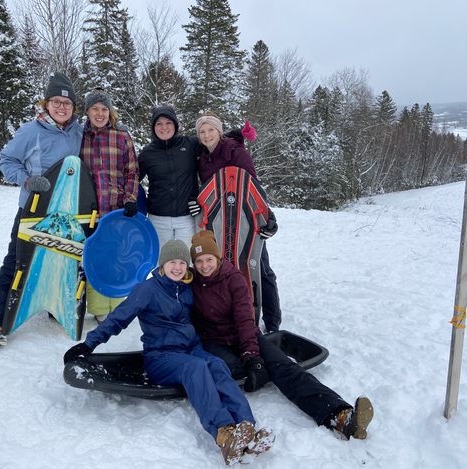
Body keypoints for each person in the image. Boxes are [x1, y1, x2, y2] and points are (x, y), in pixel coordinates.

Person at [64, 240, 274, 465]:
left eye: (182, 262)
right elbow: (118, 319)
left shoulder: (186, 287)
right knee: (195, 368)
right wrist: (88, 344)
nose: (178, 267)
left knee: (217, 365)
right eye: (172, 262)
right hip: (160, 357)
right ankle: (224, 433)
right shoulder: (147, 289)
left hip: (191, 349)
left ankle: (247, 428)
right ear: (162, 264)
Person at [189, 230, 374, 440]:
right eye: (199, 261)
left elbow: (244, 320)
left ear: (218, 257)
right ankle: (253, 370)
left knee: (284, 367)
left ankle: (340, 416)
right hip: (213, 341)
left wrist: (252, 355)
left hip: (242, 334)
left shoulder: (233, 279)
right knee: (231, 369)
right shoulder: (191, 281)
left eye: (209, 259)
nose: (204, 265)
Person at [0, 72, 83, 345]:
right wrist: (27, 180)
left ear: (73, 107)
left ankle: (53, 306)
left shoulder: (78, 131)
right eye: (56, 102)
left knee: (61, 258)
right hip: (34, 208)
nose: (62, 107)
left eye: (67, 103)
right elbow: (7, 161)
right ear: (46, 103)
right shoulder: (31, 131)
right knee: (18, 260)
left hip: (66, 210)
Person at [194, 111, 281, 333]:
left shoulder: (236, 152)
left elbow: (255, 186)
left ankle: (272, 322)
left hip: (247, 217)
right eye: (202, 131)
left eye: (210, 130)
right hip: (220, 219)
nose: (206, 135)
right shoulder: (202, 157)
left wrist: (268, 216)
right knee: (224, 267)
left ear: (219, 131)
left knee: (258, 265)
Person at [138, 107, 256, 252]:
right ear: (153, 127)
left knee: (189, 259)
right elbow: (133, 179)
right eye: (159, 124)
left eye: (168, 123)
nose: (164, 127)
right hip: (158, 218)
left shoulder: (189, 144)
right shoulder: (147, 153)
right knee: (160, 260)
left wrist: (240, 133)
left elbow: (213, 137)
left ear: (175, 125)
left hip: (187, 217)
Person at [79, 89, 140, 323]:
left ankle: (116, 304)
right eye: (95, 108)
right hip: (89, 210)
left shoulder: (121, 136)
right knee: (94, 258)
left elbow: (132, 171)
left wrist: (130, 199)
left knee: (116, 256)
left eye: (104, 109)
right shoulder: (80, 136)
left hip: (116, 209)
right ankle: (98, 308)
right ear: (87, 111)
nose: (100, 113)